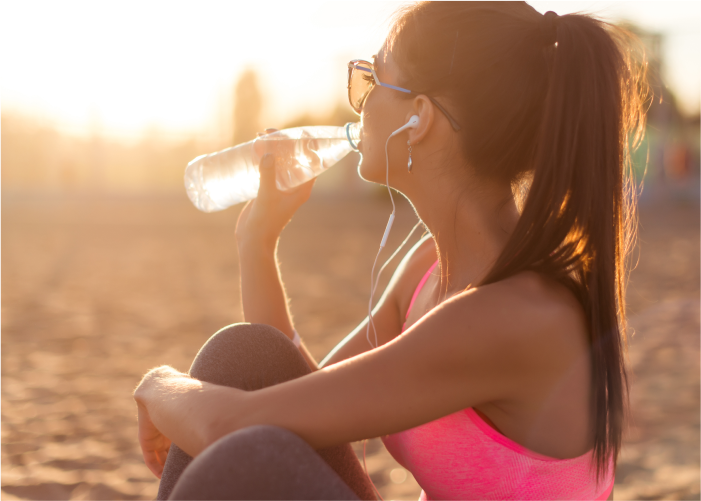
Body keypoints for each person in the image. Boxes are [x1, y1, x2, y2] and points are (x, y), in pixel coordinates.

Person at [133, 0, 647, 499]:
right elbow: (293, 398)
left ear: (417, 117)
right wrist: (258, 239)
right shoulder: (430, 265)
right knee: (244, 354)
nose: (360, 98)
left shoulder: (515, 315)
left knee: (248, 453)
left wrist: (157, 386)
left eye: (373, 78)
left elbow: (234, 429)